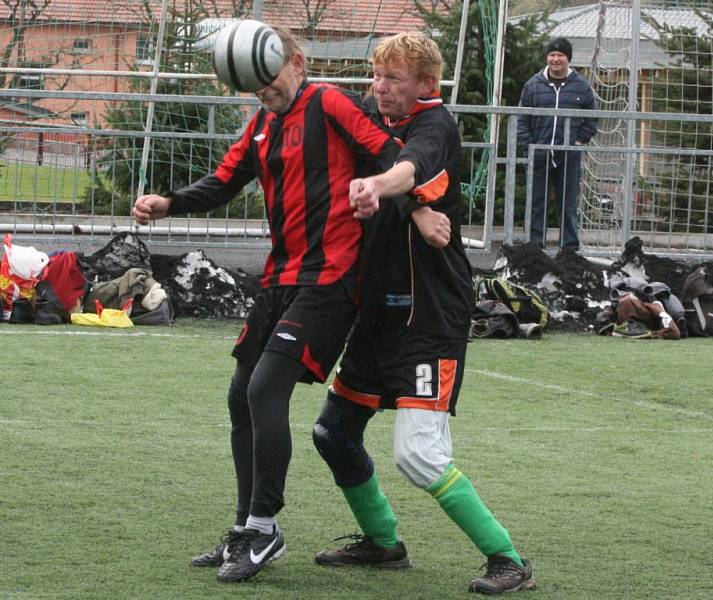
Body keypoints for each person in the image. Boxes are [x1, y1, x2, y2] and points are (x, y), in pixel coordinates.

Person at [131, 28, 398, 583]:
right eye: (253, 87)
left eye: (269, 81)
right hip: (281, 279)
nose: (264, 93)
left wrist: (393, 197)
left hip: (331, 279)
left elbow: (391, 153)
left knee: (263, 390)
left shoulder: (328, 102)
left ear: (295, 62)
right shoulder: (262, 125)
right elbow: (224, 182)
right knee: (239, 395)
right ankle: (244, 530)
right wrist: (169, 202)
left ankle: (265, 527)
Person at [311, 32, 536, 595]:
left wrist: (383, 190)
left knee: (417, 454)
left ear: (426, 86)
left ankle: (509, 561)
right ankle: (383, 544)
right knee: (333, 432)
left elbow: (406, 169)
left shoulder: (438, 125)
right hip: (378, 312)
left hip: (429, 313)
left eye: (393, 79)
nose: (379, 87)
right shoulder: (373, 112)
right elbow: (347, 134)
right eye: (376, 74)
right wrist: (412, 210)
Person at [517, 37, 598, 251]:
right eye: (552, 55)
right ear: (547, 58)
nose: (555, 59)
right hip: (539, 153)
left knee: (568, 204)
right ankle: (535, 248)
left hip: (569, 156)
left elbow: (593, 117)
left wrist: (579, 141)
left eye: (560, 55)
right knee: (537, 203)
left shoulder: (581, 86)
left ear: (568, 59)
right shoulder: (533, 85)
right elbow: (522, 118)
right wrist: (529, 145)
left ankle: (569, 249)